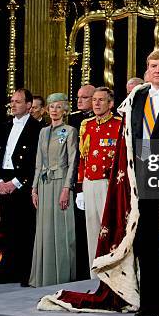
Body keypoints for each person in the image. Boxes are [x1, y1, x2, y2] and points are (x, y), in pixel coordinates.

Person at [38, 49, 159, 316]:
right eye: (152, 65)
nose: (157, 70)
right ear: (147, 69)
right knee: (143, 239)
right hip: (139, 178)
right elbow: (127, 142)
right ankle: (147, 301)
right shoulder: (136, 97)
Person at [29, 93, 78, 287]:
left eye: (58, 107)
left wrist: (67, 188)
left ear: (65, 110)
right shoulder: (43, 132)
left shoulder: (69, 131)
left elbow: (73, 162)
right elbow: (38, 162)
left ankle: (62, 277)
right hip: (44, 183)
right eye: (51, 107)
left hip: (60, 184)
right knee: (44, 230)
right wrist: (34, 188)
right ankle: (44, 276)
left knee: (62, 230)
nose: (54, 110)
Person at [0, 89, 42, 285]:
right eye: (12, 101)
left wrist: (15, 183)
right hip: (2, 179)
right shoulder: (4, 126)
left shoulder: (37, 128)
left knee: (23, 228)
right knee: (6, 227)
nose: (13, 105)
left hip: (22, 182)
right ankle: (7, 270)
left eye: (18, 102)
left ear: (29, 105)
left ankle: (24, 271)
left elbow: (35, 161)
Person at [77, 87, 121, 278]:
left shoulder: (119, 124)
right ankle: (95, 273)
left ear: (110, 104)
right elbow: (82, 158)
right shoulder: (86, 125)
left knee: (110, 228)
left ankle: (113, 272)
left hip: (108, 183)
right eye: (94, 100)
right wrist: (80, 187)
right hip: (89, 182)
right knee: (92, 229)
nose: (96, 103)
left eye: (101, 100)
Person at [68, 83, 95, 280]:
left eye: (84, 97)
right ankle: (79, 271)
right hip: (77, 177)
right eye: (78, 97)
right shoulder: (73, 120)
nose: (79, 100)